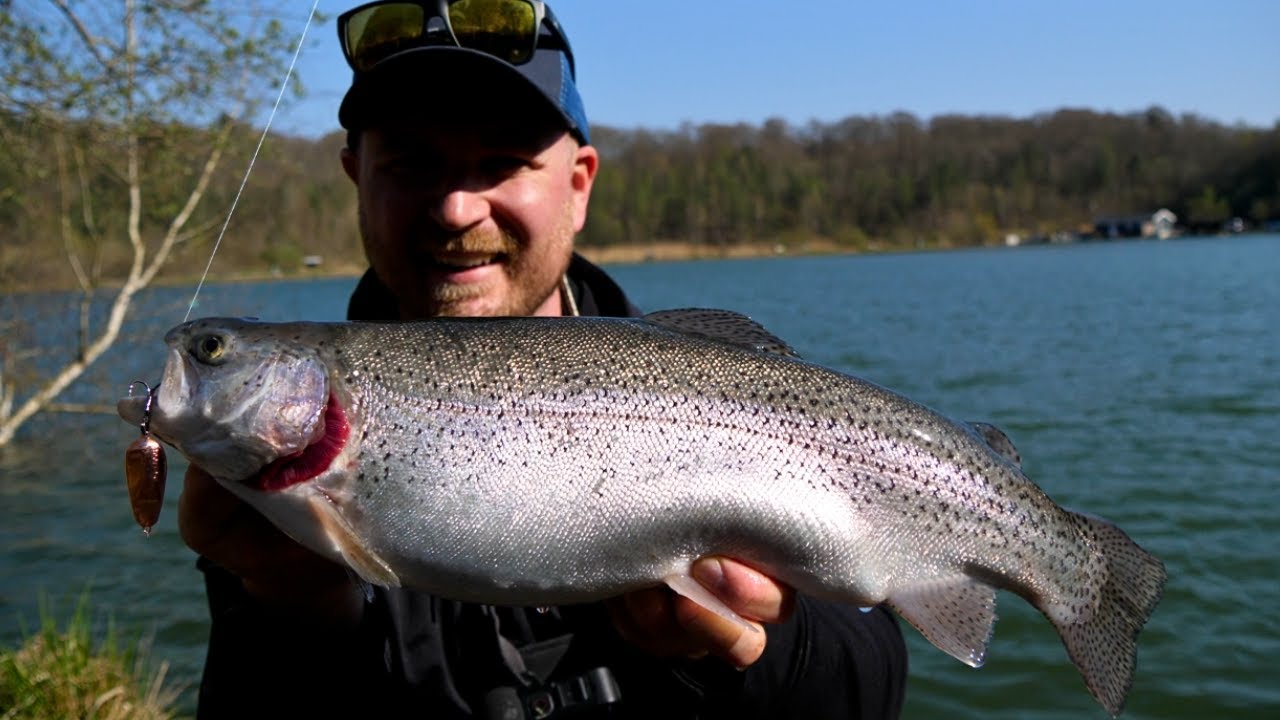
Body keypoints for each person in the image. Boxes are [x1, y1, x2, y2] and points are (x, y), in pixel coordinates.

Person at [178, 2, 908, 717]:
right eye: (409, 163)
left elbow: (872, 689)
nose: (457, 209)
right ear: (356, 178)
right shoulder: (271, 455)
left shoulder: (727, 395)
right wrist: (296, 613)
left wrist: (755, 654)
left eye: (502, 162)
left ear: (579, 184)